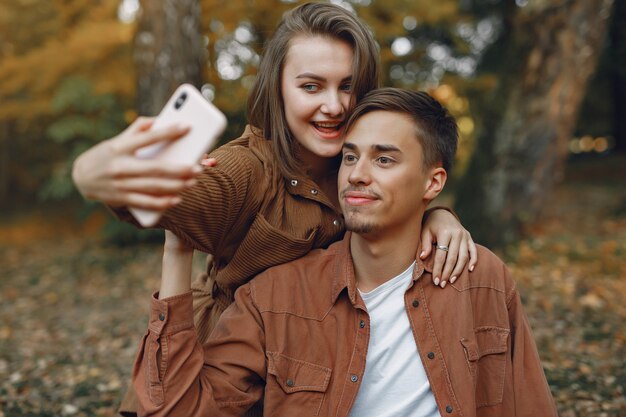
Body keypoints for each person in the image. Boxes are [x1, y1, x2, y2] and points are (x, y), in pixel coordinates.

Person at [72, 3, 477, 415]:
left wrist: (437, 216)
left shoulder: (356, 168)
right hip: (222, 379)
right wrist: (97, 173)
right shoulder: (248, 168)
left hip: (321, 375)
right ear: (279, 88)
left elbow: (404, 194)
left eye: (347, 86)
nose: (334, 106)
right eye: (311, 87)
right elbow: (178, 196)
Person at [135, 88, 557, 416]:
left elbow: (529, 405)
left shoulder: (481, 278)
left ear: (433, 183)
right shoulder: (274, 297)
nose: (357, 174)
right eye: (350, 156)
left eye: (384, 160)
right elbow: (179, 410)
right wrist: (177, 248)